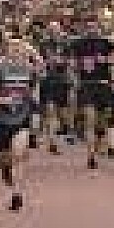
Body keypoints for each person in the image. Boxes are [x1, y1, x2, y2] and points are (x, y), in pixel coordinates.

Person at [0, 34, 38, 212]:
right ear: (6, 49)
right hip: (1, 119)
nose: (16, 50)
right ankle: (11, 184)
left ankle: (17, 194)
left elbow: (35, 86)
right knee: (4, 163)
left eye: (19, 47)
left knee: (18, 155)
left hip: (21, 118)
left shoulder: (29, 68)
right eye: (12, 47)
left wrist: (32, 103)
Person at [71, 16, 114, 170]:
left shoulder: (107, 43)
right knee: (89, 119)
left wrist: (105, 61)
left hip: (104, 84)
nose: (92, 29)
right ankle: (91, 155)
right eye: (89, 26)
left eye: (94, 26)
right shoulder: (78, 44)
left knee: (102, 121)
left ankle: (99, 138)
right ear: (85, 28)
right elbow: (72, 64)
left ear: (99, 27)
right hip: (86, 85)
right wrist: (77, 73)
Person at [38, 23, 72, 154]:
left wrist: (62, 61)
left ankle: (66, 130)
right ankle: (52, 142)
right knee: (50, 110)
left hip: (61, 81)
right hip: (47, 80)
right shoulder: (43, 44)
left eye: (56, 29)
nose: (53, 32)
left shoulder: (66, 44)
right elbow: (38, 60)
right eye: (51, 29)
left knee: (62, 112)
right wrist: (46, 63)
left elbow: (71, 61)